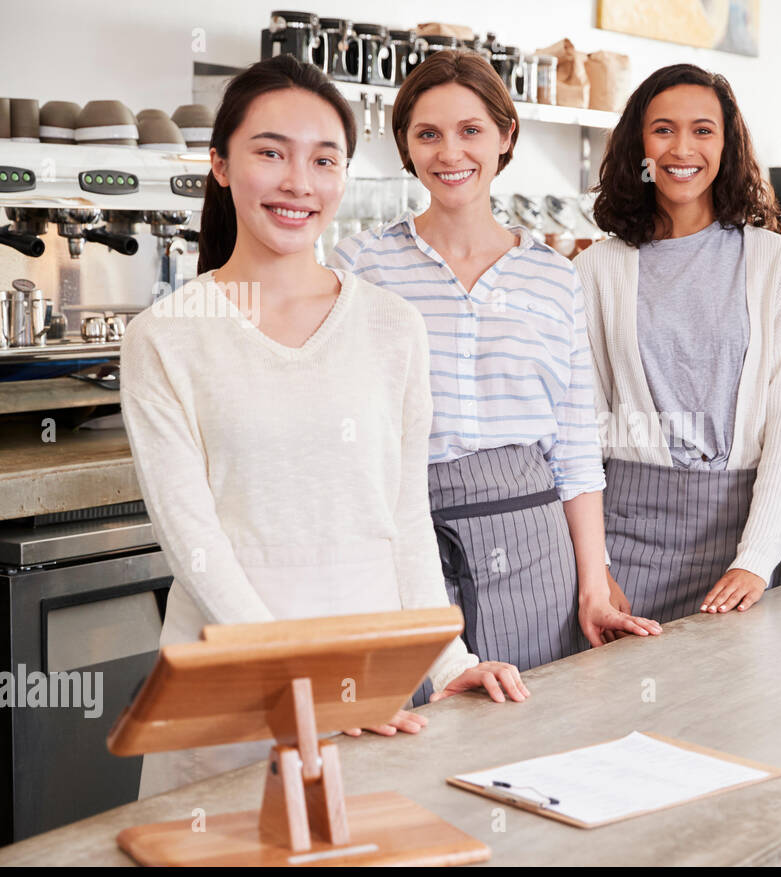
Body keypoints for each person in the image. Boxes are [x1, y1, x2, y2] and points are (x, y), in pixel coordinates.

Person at [120, 55, 523, 799]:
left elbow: (402, 518)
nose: (298, 182)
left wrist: (446, 659)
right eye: (270, 152)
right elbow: (195, 543)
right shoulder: (166, 337)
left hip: (370, 693)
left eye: (323, 159)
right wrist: (301, 679)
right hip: (235, 694)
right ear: (219, 164)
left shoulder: (391, 326)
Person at [328, 50, 660, 667]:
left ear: (506, 136)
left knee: (534, 732)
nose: (450, 153)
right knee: (413, 736)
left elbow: (575, 449)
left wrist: (593, 581)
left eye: (470, 131)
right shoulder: (360, 266)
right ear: (405, 145)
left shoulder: (555, 277)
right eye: (428, 134)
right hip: (405, 541)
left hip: (535, 546)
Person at [575, 63, 781, 625]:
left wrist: (758, 557)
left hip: (740, 546)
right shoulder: (597, 269)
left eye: (703, 130)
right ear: (637, 145)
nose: (682, 148)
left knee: (728, 707)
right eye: (663, 129)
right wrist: (595, 568)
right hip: (624, 548)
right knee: (615, 708)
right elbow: (580, 429)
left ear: (727, 144)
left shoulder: (776, 262)